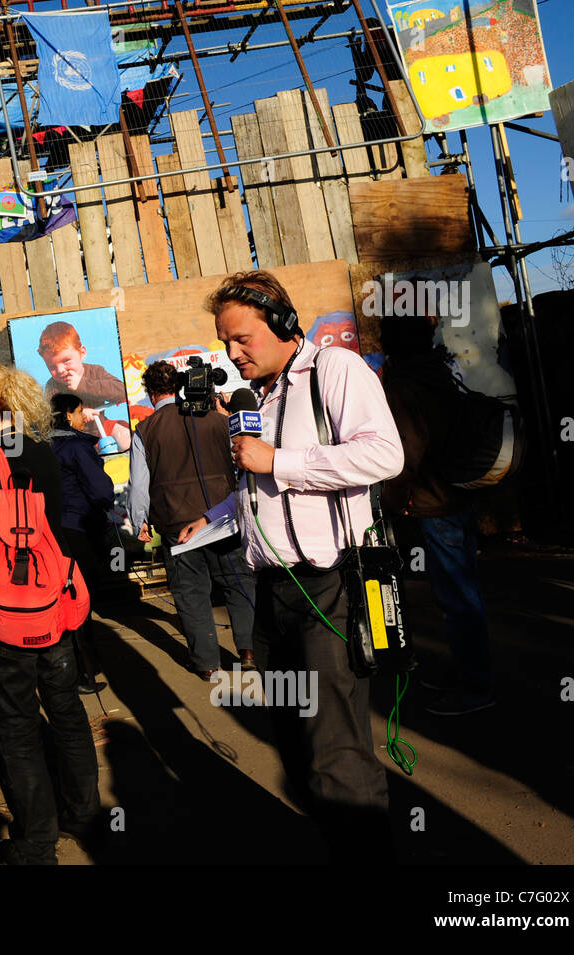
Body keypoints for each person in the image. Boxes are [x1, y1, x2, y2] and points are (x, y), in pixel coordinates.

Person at [181, 271, 404, 864]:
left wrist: (279, 458)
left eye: (242, 339)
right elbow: (264, 485)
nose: (232, 353)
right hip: (271, 594)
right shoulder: (262, 397)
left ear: (282, 325)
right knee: (292, 740)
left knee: (335, 750)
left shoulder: (334, 371)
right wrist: (214, 516)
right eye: (225, 341)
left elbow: (385, 453)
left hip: (329, 588)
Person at [0, 362, 99, 864]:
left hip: (6, 614)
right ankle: (85, 816)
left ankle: (37, 842)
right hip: (54, 605)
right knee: (68, 714)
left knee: (15, 728)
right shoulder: (45, 452)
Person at [380, 313, 495, 717]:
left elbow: (404, 457)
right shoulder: (441, 372)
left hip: (432, 502)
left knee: (455, 597)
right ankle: (471, 670)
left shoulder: (403, 386)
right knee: (465, 591)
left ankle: (477, 686)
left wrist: (396, 497)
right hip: (458, 493)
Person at [130, 360, 257, 678]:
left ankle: (207, 665)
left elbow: (138, 485)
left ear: (150, 392)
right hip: (224, 516)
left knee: (191, 592)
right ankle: (249, 651)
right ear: (179, 385)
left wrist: (139, 522)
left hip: (176, 524)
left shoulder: (145, 430)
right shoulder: (216, 419)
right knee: (238, 583)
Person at [49, 393, 114, 693]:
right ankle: (84, 669)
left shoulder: (47, 445)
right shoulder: (76, 446)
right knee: (81, 600)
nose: (83, 417)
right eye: (78, 412)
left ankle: (76, 665)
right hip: (79, 527)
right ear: (67, 415)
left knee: (65, 597)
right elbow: (100, 490)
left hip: (55, 531)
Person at [36, 320, 131, 451]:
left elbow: (121, 390)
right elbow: (55, 416)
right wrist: (79, 415)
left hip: (102, 425)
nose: (60, 370)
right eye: (52, 367)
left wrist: (82, 384)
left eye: (66, 360)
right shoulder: (52, 386)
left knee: (126, 437)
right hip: (76, 436)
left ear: (82, 353)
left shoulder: (95, 372)